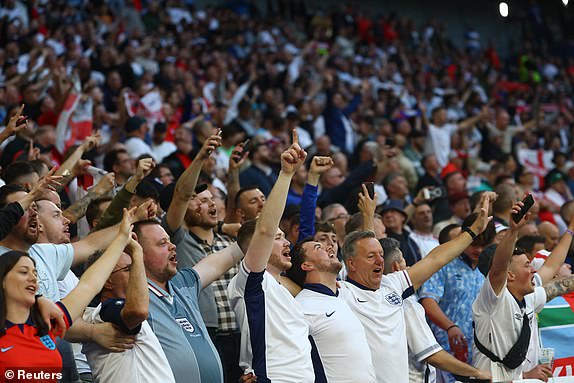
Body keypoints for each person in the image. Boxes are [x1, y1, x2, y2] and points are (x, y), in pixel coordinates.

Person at [338, 191, 493, 383]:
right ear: (350, 265)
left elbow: (435, 259)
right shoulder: (342, 293)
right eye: (372, 257)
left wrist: (473, 232)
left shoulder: (392, 284)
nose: (379, 260)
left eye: (380, 255)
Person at [0, 210, 134, 380]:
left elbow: (89, 285)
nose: (33, 278)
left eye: (35, 273)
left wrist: (121, 239)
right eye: (23, 271)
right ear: (2, 280)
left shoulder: (46, 325)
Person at [227, 130, 315, 382]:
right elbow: (264, 229)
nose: (287, 241)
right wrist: (286, 174)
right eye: (278, 238)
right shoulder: (251, 283)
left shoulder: (282, 289)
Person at [133, 212, 244, 382]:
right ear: (138, 253)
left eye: (170, 240)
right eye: (162, 243)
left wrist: (254, 236)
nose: (172, 246)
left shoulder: (182, 283)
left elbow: (224, 259)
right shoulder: (134, 297)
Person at [82, 234, 176, 383]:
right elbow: (137, 312)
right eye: (128, 269)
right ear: (107, 280)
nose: (137, 274)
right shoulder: (102, 312)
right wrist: (137, 253)